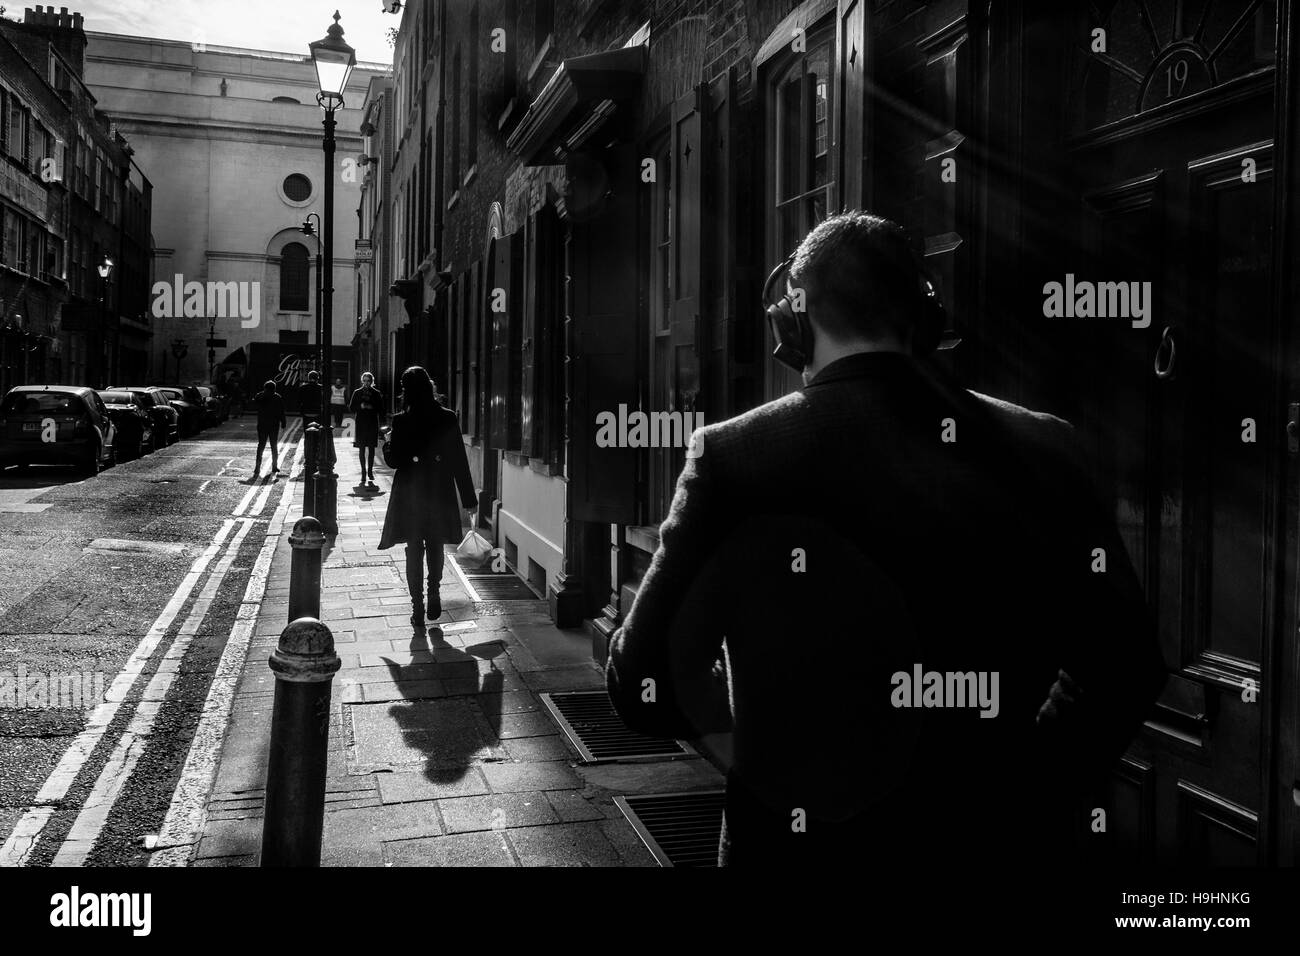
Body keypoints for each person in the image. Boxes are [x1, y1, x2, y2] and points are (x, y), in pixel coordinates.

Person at [605, 211, 1167, 868]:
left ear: (790, 323)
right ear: (922, 319)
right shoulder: (1045, 445)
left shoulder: (733, 456)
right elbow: (1125, 666)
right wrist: (1025, 788)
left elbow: (643, 681)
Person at [378, 367, 476, 627]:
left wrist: (387, 442)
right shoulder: (447, 417)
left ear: (406, 390)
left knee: (413, 548)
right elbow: (458, 459)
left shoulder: (401, 421)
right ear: (429, 386)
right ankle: (434, 592)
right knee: (435, 544)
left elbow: (395, 461)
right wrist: (469, 498)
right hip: (439, 490)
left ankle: (417, 606)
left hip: (410, 492)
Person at [349, 371, 384, 486]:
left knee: (372, 449)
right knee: (362, 448)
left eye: (368, 381)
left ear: (372, 381)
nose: (366, 383)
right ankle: (363, 472)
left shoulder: (376, 393)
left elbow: (381, 409)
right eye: (364, 381)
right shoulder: (357, 392)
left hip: (372, 423)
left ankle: (370, 471)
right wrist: (360, 406)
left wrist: (371, 406)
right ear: (362, 381)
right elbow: (351, 407)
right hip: (361, 423)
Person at [252, 380, 286, 479]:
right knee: (273, 445)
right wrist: (283, 423)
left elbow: (255, 403)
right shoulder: (277, 397)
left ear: (265, 388)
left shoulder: (260, 396)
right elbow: (281, 412)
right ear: (274, 388)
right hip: (274, 425)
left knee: (261, 445)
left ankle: (257, 468)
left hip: (262, 424)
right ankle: (274, 466)